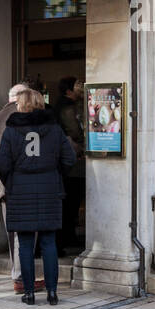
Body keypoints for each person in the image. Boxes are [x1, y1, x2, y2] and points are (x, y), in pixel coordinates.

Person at [0, 88, 76, 306]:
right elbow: (69, 158)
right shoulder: (54, 128)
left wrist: (11, 180)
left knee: (25, 243)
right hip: (49, 188)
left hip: (21, 190)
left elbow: (1, 163)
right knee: (49, 242)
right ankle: (52, 292)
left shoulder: (11, 130)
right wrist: (56, 174)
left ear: (20, 105)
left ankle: (29, 293)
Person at [0, 82, 31, 294]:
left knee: (13, 232)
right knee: (29, 232)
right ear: (23, 97)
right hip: (29, 184)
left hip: (5, 187)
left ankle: (17, 274)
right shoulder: (30, 117)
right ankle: (21, 276)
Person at [54, 76, 86, 256]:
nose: (80, 87)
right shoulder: (67, 108)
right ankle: (66, 237)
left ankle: (68, 235)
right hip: (73, 163)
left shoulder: (64, 106)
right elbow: (74, 130)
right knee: (70, 203)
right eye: (77, 86)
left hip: (70, 163)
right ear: (69, 90)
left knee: (70, 203)